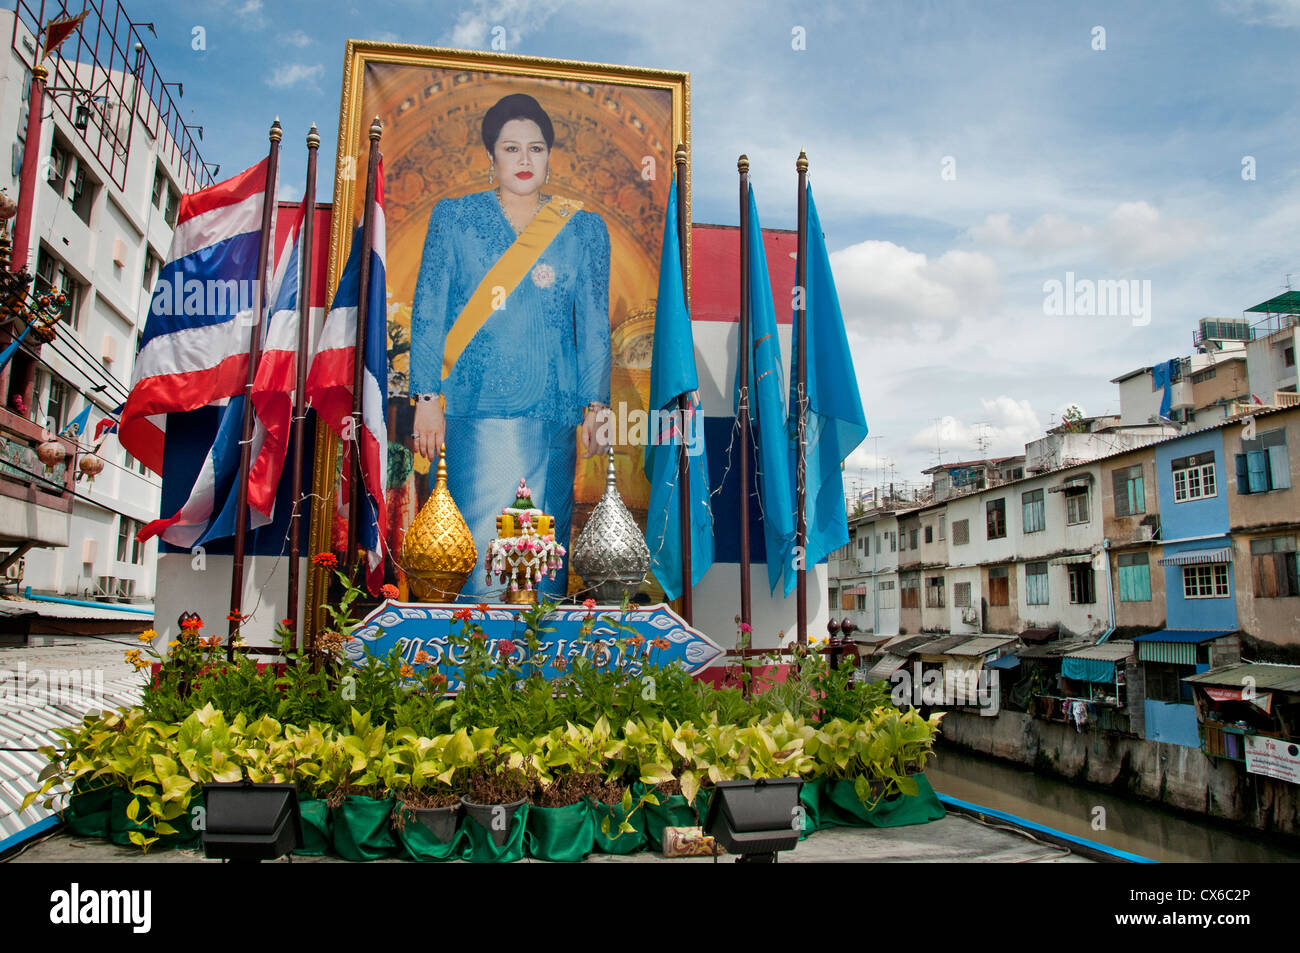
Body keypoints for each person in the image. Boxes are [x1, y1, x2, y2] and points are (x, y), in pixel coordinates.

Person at [409, 92, 611, 600]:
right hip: (474, 414)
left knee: (540, 559)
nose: (524, 160)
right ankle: (473, 669)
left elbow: (592, 322)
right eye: (511, 148)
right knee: (477, 555)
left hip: (554, 416)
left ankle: (538, 671)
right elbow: (429, 309)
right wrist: (426, 398)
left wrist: (597, 405)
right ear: (491, 158)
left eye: (536, 149)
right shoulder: (454, 219)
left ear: (549, 158)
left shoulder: (581, 228)